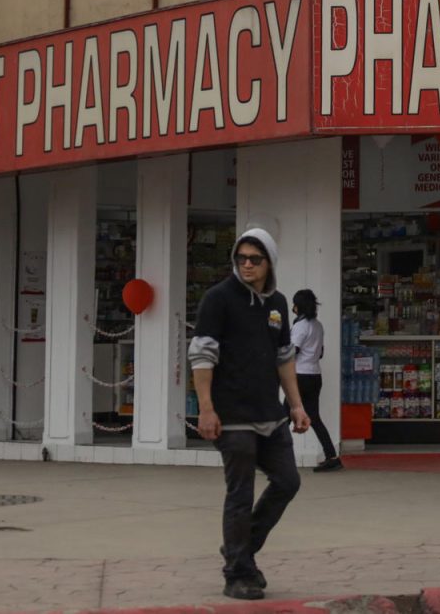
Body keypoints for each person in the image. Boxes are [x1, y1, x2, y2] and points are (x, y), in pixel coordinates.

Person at [188, 227, 312, 601]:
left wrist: (296, 405)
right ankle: (237, 574)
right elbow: (202, 356)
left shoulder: (278, 304)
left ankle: (240, 550)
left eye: (254, 259)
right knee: (240, 494)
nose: (246, 265)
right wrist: (206, 410)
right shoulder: (218, 299)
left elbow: (284, 358)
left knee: (288, 481)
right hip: (232, 417)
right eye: (241, 258)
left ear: (269, 262)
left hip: (270, 415)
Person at [288, 288, 342, 472]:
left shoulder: (300, 326)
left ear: (298, 306)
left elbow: (292, 352)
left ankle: (273, 459)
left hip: (299, 376)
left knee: (282, 416)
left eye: (294, 303)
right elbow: (320, 353)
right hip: (314, 375)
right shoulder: (317, 325)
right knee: (314, 417)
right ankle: (332, 456)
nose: (292, 307)